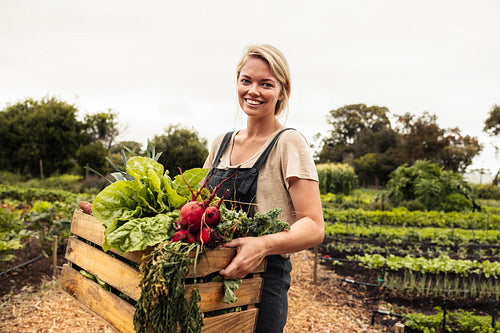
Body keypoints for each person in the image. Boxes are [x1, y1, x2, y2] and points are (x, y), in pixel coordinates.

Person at [202, 44, 324, 333]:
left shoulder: (288, 143)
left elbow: (314, 226)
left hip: (262, 281)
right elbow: (197, 208)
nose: (253, 91)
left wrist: (263, 244)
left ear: (282, 91)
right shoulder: (221, 143)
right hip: (210, 277)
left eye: (265, 84)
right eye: (246, 81)